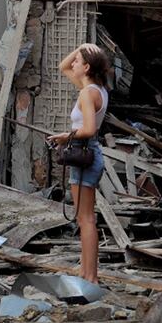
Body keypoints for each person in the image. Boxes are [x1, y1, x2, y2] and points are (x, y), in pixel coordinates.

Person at [48, 43, 110, 284]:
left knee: (86, 219)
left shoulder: (87, 93)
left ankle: (90, 277)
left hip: (84, 152)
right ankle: (85, 273)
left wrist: (66, 136)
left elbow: (89, 129)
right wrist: (82, 48)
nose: (73, 63)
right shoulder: (96, 89)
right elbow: (62, 66)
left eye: (78, 60)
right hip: (88, 153)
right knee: (85, 218)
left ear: (87, 67)